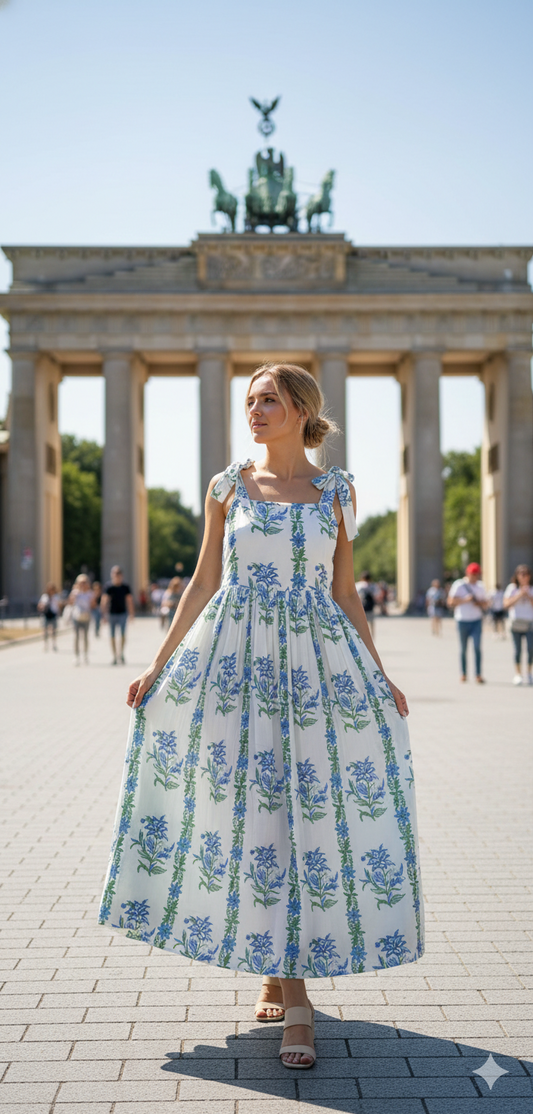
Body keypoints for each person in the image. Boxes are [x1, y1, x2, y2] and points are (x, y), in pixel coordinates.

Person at [99, 362, 424, 1072]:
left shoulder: (335, 490)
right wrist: (157, 665)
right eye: (249, 401)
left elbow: (344, 592)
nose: (254, 411)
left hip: (314, 670)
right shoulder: (226, 486)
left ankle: (291, 989)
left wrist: (379, 672)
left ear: (301, 409)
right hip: (232, 667)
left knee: (303, 817)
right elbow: (204, 580)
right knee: (253, 816)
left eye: (268, 400)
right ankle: (282, 975)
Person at [447, 562, 488, 683]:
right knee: (463, 648)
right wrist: (465, 600)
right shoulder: (459, 585)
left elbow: (486, 604)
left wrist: (479, 603)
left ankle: (478, 674)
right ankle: (464, 673)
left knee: (476, 647)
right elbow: (450, 601)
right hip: (462, 620)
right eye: (473, 574)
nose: (475, 577)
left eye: (477, 574)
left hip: (476, 620)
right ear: (468, 573)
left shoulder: (481, 586)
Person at [503, 565, 533, 686]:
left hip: (530, 623)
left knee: (531, 649)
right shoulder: (512, 588)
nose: (523, 576)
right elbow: (506, 604)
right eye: (521, 574)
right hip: (515, 623)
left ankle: (529, 673)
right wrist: (520, 594)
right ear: (517, 576)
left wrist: (528, 595)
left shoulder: (531, 589)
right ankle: (518, 674)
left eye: (526, 574)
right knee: (517, 650)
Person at [101, 567, 134, 665]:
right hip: (112, 614)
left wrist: (131, 613)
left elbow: (129, 600)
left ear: (121, 575)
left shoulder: (125, 587)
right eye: (115, 574)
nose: (117, 576)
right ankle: (115, 656)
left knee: (123, 635)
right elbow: (104, 600)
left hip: (122, 613)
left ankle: (121, 653)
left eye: (119, 574)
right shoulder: (108, 587)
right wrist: (103, 614)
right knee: (112, 636)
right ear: (112, 575)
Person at [68, 574, 95, 665]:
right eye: (81, 583)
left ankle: (85, 655)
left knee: (86, 637)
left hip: (86, 617)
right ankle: (77, 656)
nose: (82, 584)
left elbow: (93, 605)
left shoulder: (90, 593)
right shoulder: (75, 593)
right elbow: (70, 603)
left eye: (84, 582)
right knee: (76, 637)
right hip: (76, 616)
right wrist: (74, 595)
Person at [37, 581, 61, 651]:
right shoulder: (44, 596)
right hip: (46, 614)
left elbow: (59, 605)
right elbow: (40, 604)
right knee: (45, 630)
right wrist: (41, 606)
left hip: (53, 614)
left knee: (53, 630)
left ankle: (54, 644)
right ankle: (45, 644)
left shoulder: (56, 597)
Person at [355, 571, 376, 637]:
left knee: (360, 624)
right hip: (370, 608)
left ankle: (361, 638)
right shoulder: (372, 585)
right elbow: (376, 596)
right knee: (371, 624)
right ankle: (372, 638)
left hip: (360, 607)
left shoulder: (358, 585)